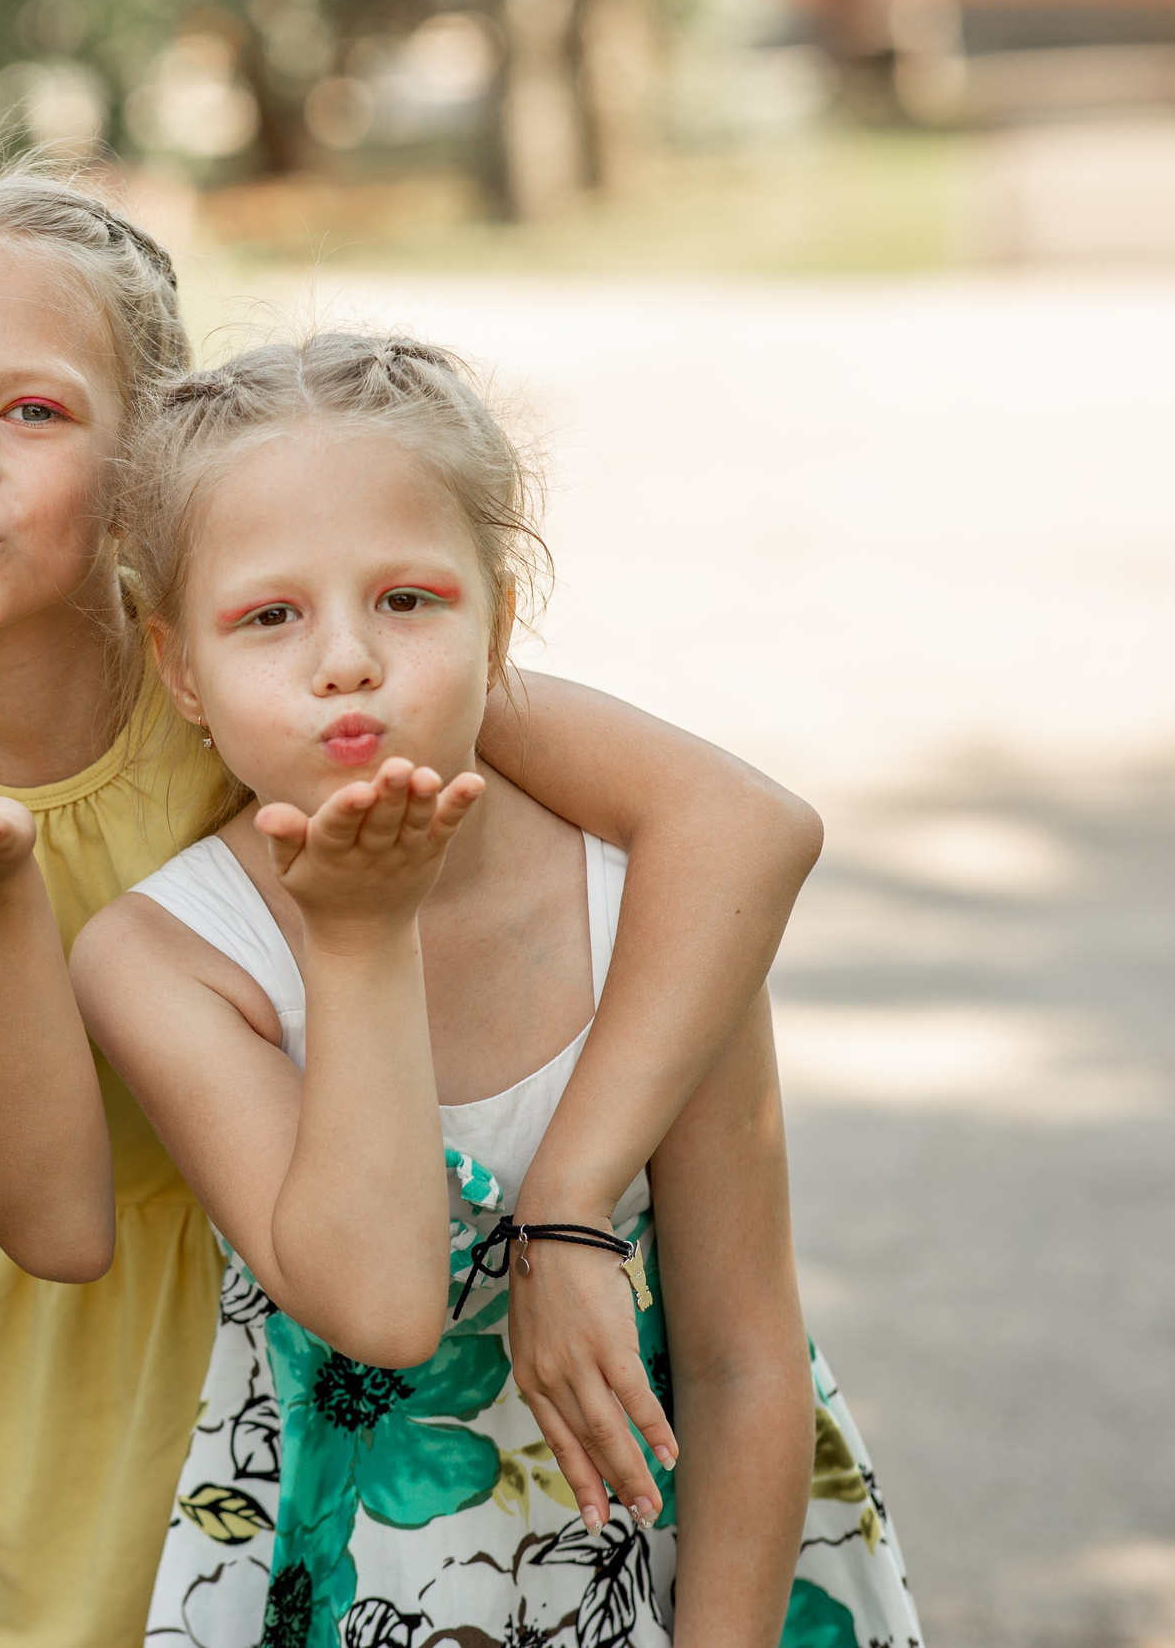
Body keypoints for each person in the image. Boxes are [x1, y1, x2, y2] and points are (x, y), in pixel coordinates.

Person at [0, 161, 828, 1648]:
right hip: (93, 1382)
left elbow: (737, 826)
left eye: (34, 410)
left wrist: (567, 1206)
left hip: (388, 1315)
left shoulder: (288, 664)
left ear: (141, 474)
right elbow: (57, 1211)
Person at [72, 331, 922, 1648]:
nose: (346, 660)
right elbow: (384, 1307)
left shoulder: (647, 908)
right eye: (268, 616)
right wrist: (360, 943)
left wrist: (568, 1212)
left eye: (409, 600)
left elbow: (748, 1361)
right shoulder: (165, 956)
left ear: (501, 620)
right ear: (182, 668)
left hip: (700, 1591)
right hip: (365, 1593)